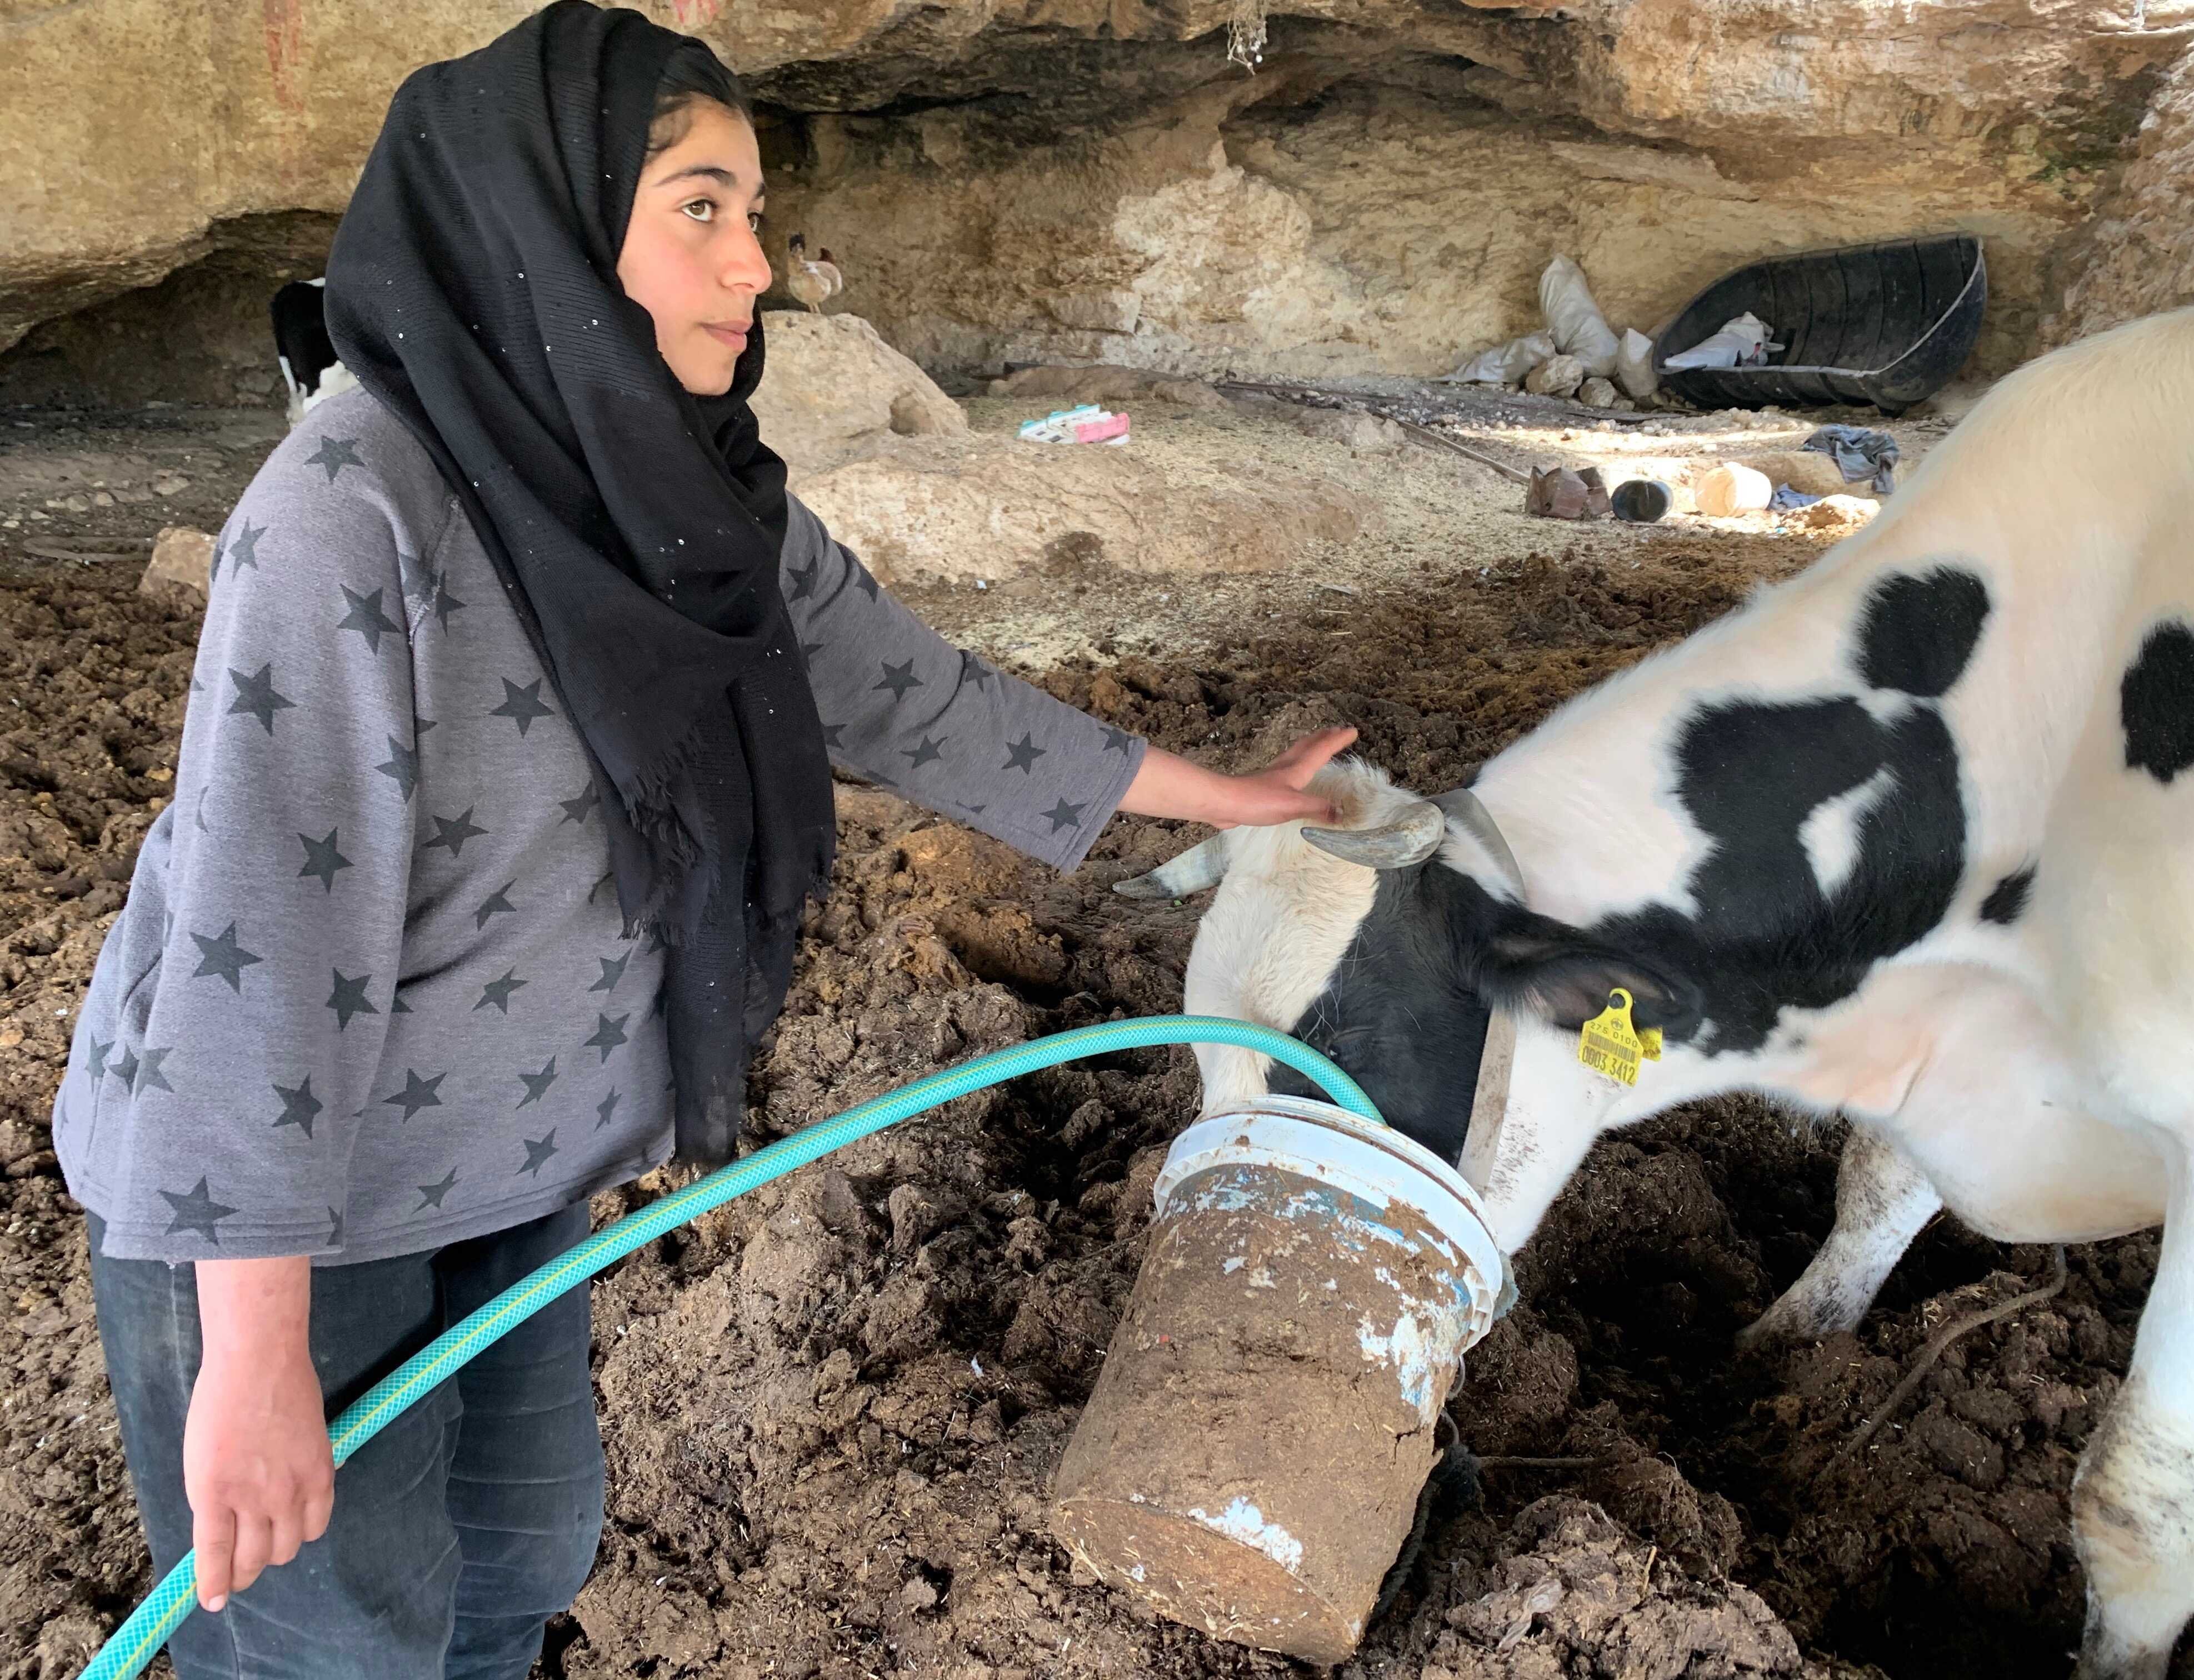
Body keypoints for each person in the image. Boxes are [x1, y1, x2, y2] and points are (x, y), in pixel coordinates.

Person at [49, 6, 1355, 1676]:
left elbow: (913, 700)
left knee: (522, 1561)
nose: (760, 267)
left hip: (505, 1171)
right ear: (547, 217)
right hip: (282, 1211)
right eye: (700, 207)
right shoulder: (348, 517)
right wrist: (254, 1352)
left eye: (755, 214)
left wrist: (1243, 799)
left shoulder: (694, 488)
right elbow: (263, 935)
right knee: (337, 1644)